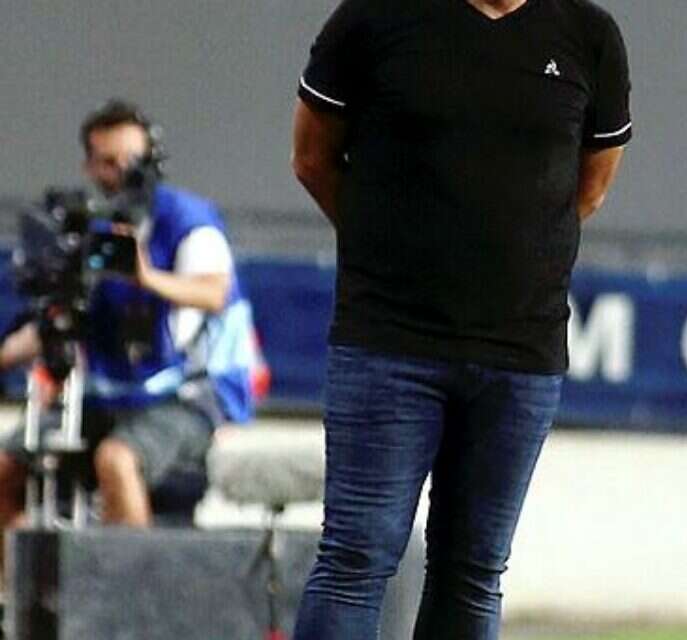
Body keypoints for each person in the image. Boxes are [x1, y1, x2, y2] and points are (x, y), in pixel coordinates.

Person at [290, 0, 631, 637]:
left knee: (473, 569)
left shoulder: (588, 34)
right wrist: (388, 250)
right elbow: (312, 158)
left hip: (520, 351)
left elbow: (587, 187)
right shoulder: (374, 17)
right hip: (390, 340)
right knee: (356, 555)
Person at [0, 99, 248, 539]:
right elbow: (57, 320)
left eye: (132, 159)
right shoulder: (87, 230)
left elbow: (214, 293)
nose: (122, 171)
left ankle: (135, 581)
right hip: (105, 398)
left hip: (185, 396)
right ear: (90, 166)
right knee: (6, 466)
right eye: (109, 162)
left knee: (117, 459)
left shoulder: (187, 220)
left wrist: (146, 277)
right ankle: (23, 578)